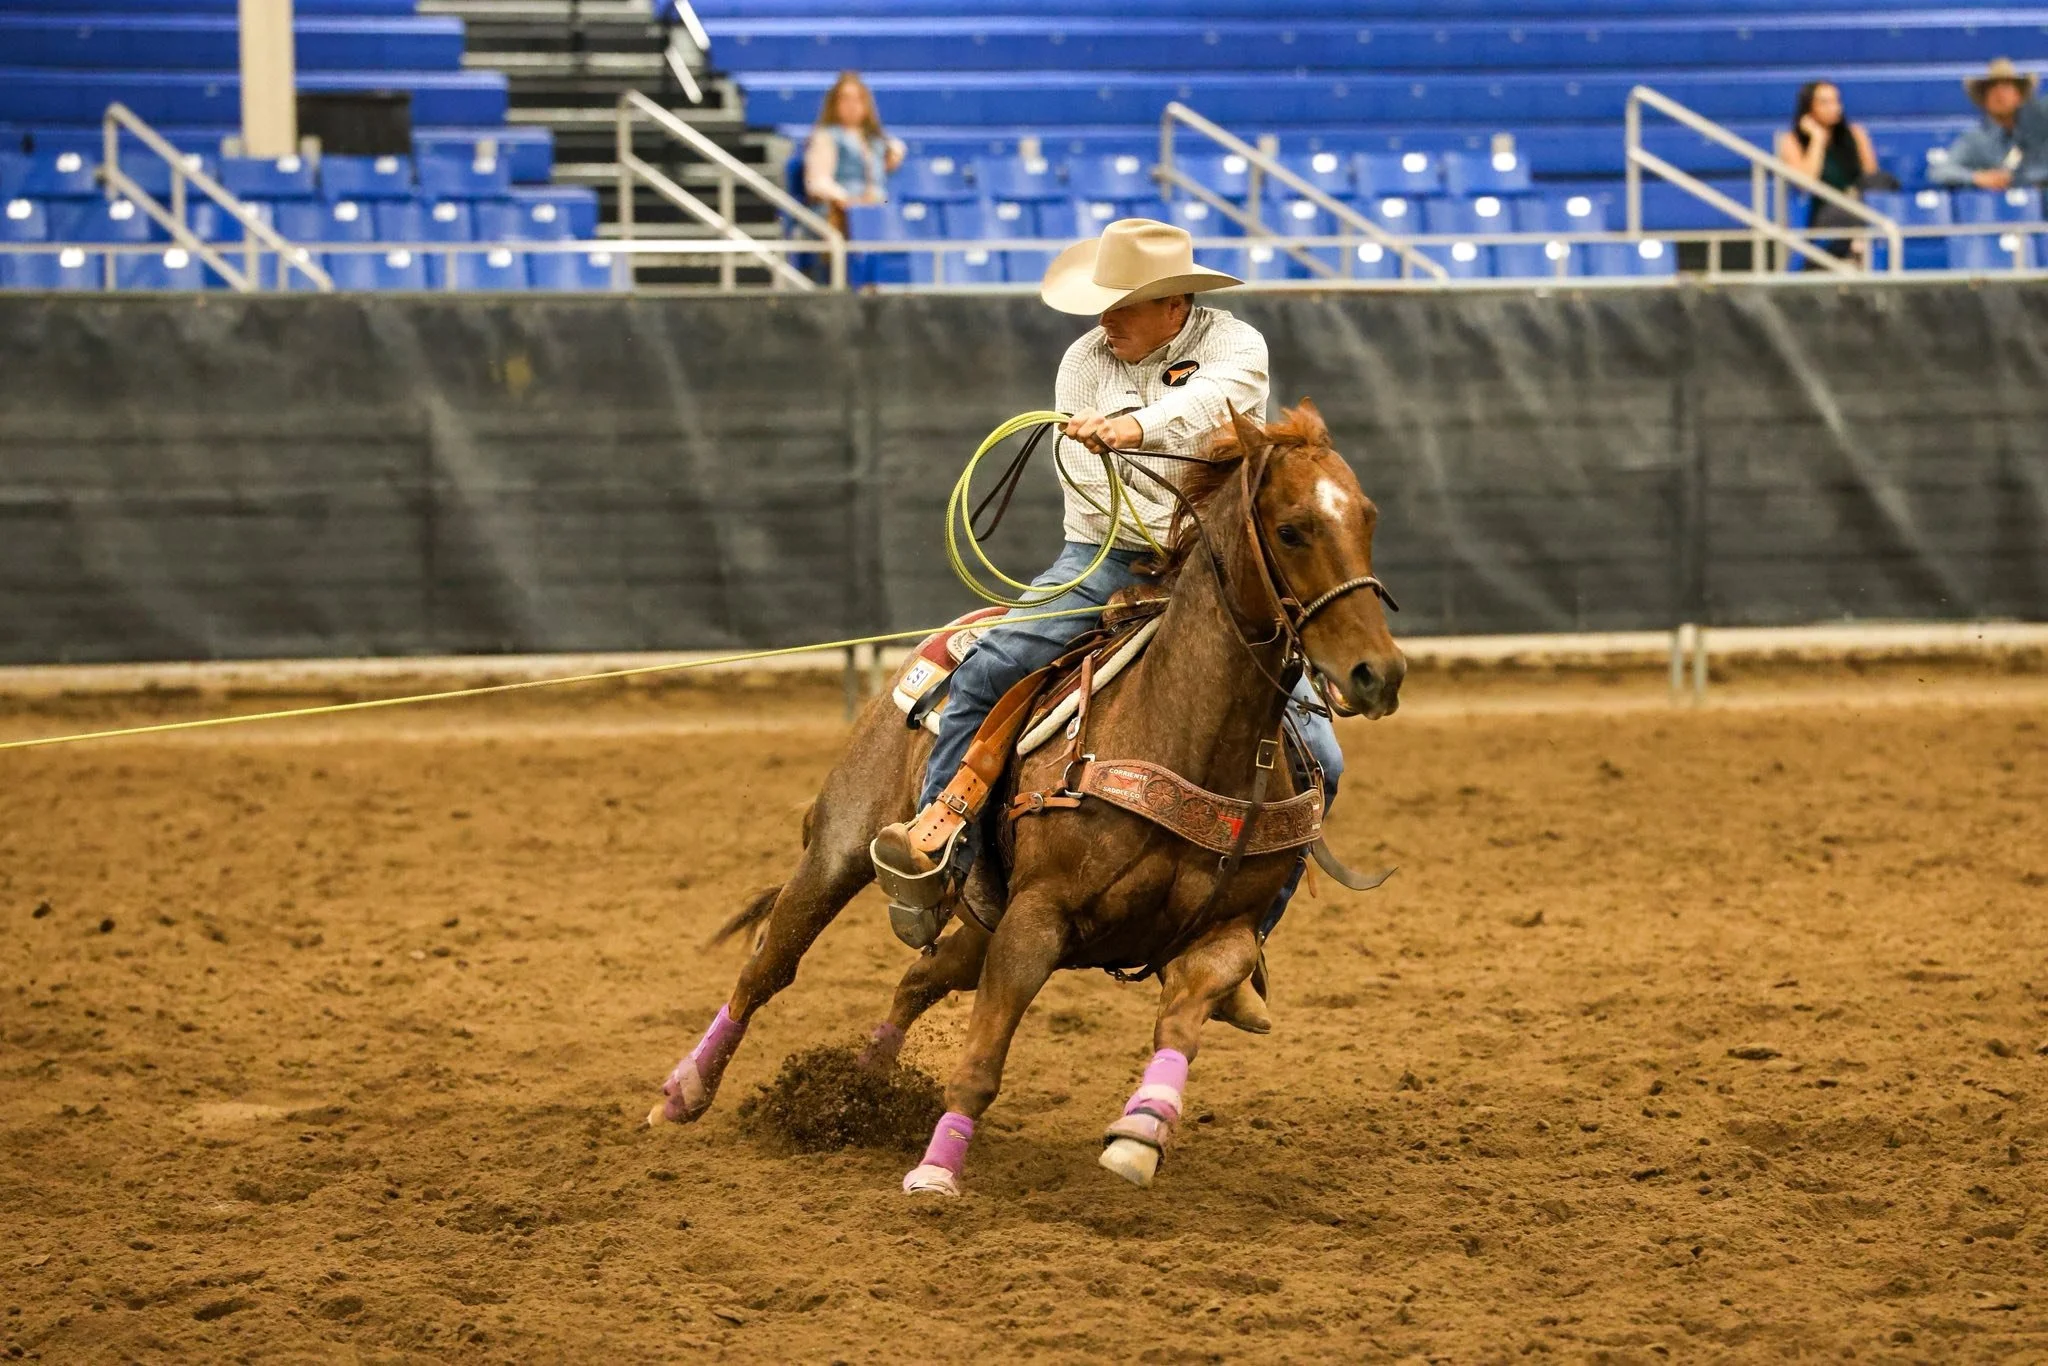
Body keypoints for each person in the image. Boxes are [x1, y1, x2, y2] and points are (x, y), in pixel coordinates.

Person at [868, 217, 1345, 1033]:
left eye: (1122, 307)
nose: (1105, 322)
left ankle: (1243, 944)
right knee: (991, 664)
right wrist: (1113, 469)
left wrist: (1131, 428)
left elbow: (1214, 408)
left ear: (1175, 304)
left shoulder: (1237, 347)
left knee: (1322, 758)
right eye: (1103, 306)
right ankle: (941, 837)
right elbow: (1093, 495)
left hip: (1219, 576)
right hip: (1108, 560)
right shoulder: (1083, 362)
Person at [1775, 81, 1882, 262]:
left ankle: (1859, 248)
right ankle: (1856, 249)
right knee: (1849, 212)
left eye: (1836, 101)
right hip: (1824, 211)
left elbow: (1872, 177)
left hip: (1858, 204)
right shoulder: (1791, 141)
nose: (1834, 108)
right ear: (1808, 107)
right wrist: (1817, 140)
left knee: (1877, 197)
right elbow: (1805, 183)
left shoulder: (1855, 134)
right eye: (1824, 102)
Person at [803, 71, 905, 233]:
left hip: (878, 212)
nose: (852, 105)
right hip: (843, 214)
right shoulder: (825, 137)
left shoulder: (875, 140)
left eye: (858, 99)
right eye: (845, 99)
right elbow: (818, 183)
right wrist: (848, 200)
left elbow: (889, 160)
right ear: (834, 103)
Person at [1931, 58, 2048, 189]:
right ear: (1984, 99)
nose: (1999, 93)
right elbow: (1939, 172)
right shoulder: (1975, 139)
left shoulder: (2039, 130)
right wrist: (1977, 177)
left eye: (2006, 87)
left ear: (2019, 96)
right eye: (1992, 88)